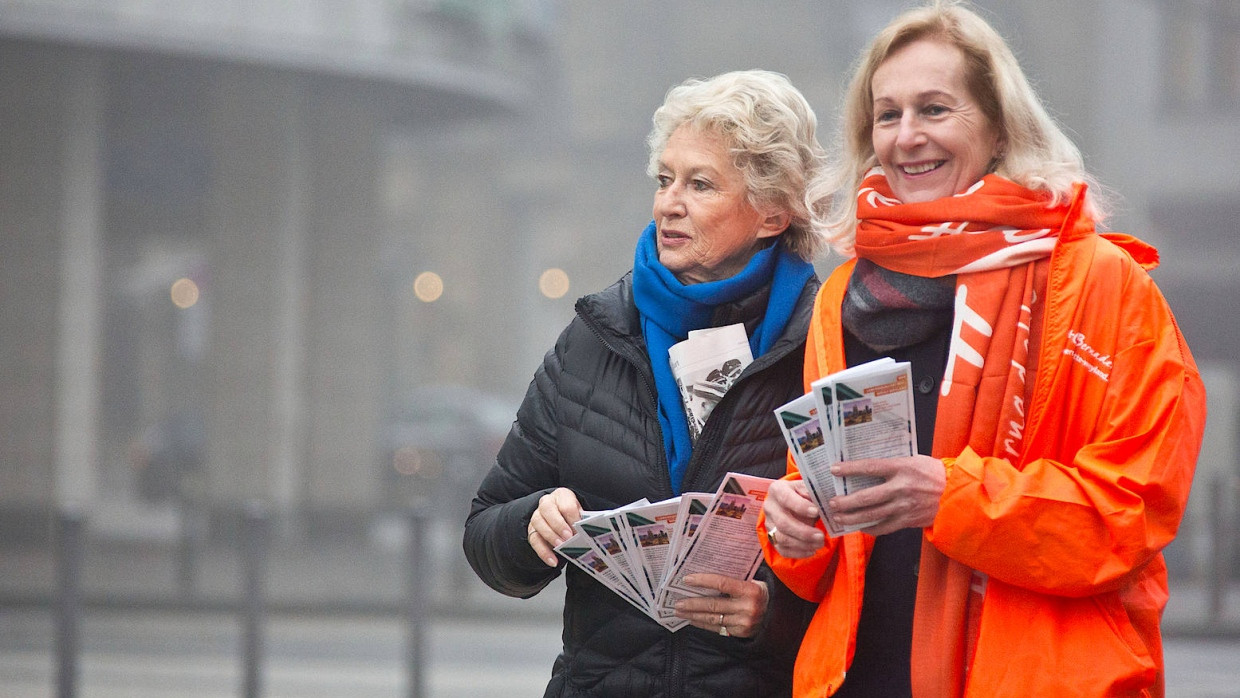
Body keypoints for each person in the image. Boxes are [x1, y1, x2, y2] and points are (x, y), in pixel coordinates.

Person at [757, 2, 1207, 697]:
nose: (907, 137)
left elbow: (1134, 510)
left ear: (998, 126)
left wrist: (952, 500)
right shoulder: (842, 295)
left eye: (935, 109)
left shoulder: (1101, 282)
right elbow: (823, 507)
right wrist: (793, 529)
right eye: (888, 114)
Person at [463, 70, 825, 697]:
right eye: (665, 180)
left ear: (771, 213)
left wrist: (776, 616)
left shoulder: (826, 344)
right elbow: (484, 533)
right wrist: (531, 526)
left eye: (701, 184)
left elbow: (887, 571)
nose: (668, 204)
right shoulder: (596, 336)